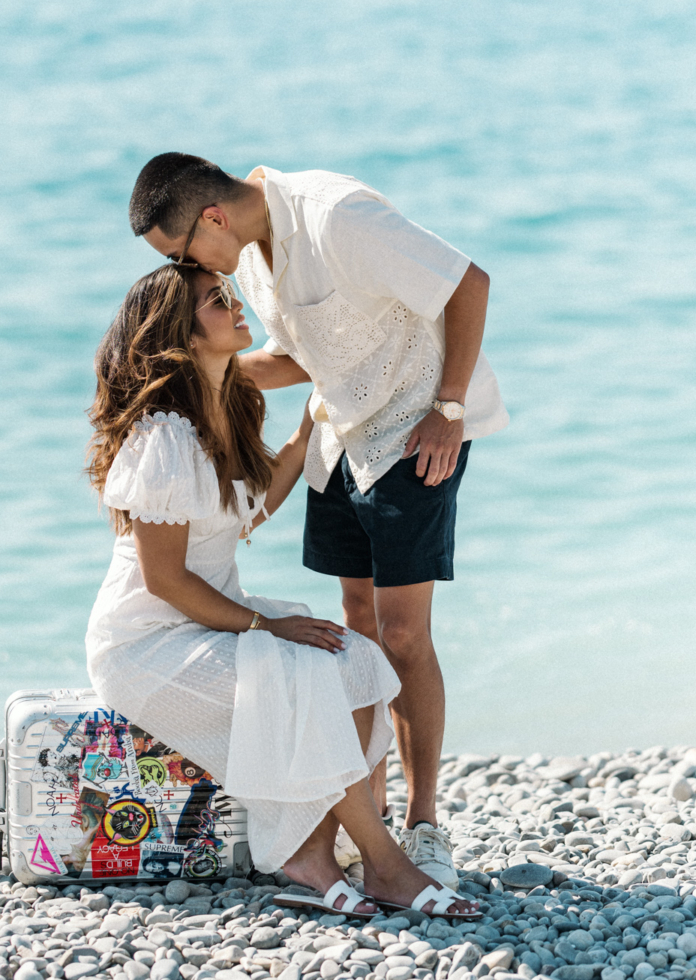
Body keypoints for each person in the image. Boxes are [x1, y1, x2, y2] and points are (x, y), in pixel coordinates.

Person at [128, 155, 509, 890]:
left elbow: (468, 282)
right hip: (338, 438)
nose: (185, 268)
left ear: (212, 218)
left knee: (402, 634)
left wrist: (450, 407)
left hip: (414, 432)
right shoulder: (252, 254)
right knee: (355, 625)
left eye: (179, 252)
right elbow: (301, 357)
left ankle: (423, 825)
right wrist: (174, 373)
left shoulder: (335, 215)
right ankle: (369, 810)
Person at [84, 262, 481, 918]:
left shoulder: (224, 407)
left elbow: (246, 511)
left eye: (229, 294)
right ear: (179, 335)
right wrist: (263, 628)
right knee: (302, 674)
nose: (237, 306)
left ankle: (313, 853)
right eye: (217, 301)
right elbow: (165, 579)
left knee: (354, 662)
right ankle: (385, 866)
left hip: (209, 619)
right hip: (147, 642)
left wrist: (303, 435)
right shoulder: (163, 435)